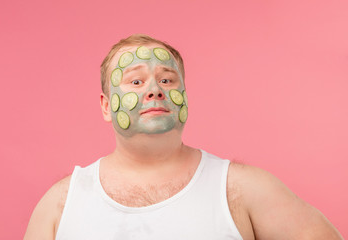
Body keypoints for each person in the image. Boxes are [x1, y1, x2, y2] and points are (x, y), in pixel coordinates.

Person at [24, 34, 343, 240]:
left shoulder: (243, 188)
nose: (154, 89)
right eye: (136, 82)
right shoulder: (61, 203)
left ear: (185, 95)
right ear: (107, 106)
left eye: (167, 79)